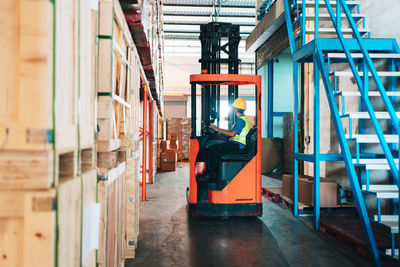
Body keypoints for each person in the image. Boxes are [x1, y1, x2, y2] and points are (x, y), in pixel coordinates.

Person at [196, 97, 251, 181]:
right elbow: (232, 132)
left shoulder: (241, 120)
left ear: (235, 109)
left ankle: (210, 176)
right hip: (237, 144)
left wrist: (217, 129)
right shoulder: (242, 119)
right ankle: (211, 173)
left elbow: (232, 133)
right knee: (214, 147)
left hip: (239, 146)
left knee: (212, 149)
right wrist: (219, 131)